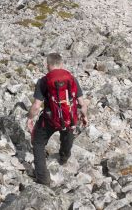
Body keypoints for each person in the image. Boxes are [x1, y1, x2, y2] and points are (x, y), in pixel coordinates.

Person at [26, 52, 89, 186]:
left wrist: (29, 119)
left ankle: (43, 179)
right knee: (68, 132)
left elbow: (36, 106)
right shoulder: (71, 79)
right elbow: (82, 103)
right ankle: (64, 157)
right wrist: (84, 116)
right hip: (69, 118)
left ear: (47, 65)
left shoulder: (43, 81)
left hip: (49, 119)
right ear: (62, 64)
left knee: (38, 143)